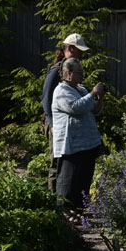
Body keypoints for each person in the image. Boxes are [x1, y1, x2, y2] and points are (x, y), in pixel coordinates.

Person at [51, 57, 106, 220]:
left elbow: (93, 110)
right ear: (68, 73)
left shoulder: (80, 89)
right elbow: (75, 108)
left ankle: (77, 209)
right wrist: (93, 93)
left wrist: (100, 97)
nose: (82, 75)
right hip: (71, 144)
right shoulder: (61, 91)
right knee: (68, 180)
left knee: (83, 178)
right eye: (79, 72)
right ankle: (65, 211)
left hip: (87, 144)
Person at [42, 33, 90, 192]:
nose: (81, 54)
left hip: (67, 125)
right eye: (79, 50)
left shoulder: (70, 68)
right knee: (57, 162)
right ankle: (54, 201)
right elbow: (46, 98)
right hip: (56, 124)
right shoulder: (56, 71)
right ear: (69, 49)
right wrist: (52, 123)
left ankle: (64, 201)